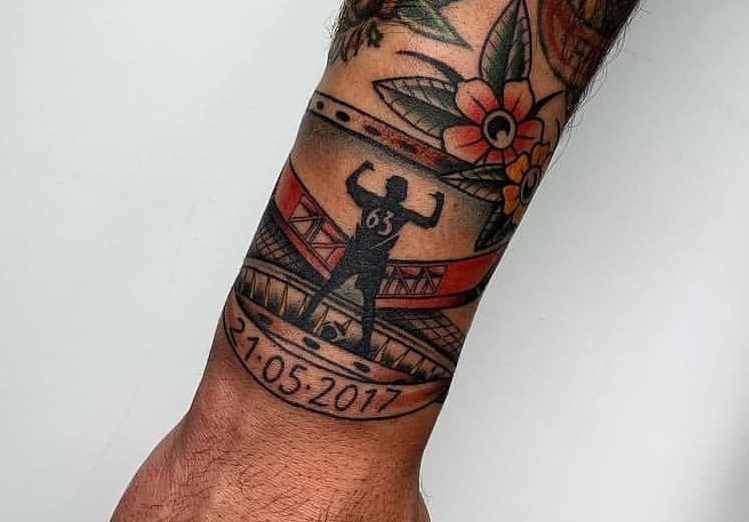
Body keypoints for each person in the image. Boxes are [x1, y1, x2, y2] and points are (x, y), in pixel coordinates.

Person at [110, 1, 640, 521]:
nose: (394, 191)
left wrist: (276, 452)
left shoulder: (395, 208)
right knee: (330, 298)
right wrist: (269, 449)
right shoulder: (381, 203)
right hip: (357, 257)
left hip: (368, 263)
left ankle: (337, 368)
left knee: (356, 306)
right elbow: (365, 191)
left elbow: (420, 216)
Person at [300, 160, 444, 356]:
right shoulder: (403, 213)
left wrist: (360, 169)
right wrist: (439, 203)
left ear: (387, 188)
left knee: (329, 287)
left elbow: (351, 185)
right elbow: (429, 222)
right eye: (404, 191)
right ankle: (365, 343)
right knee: (368, 302)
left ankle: (304, 317)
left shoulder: (371, 200)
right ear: (402, 194)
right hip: (375, 259)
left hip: (357, 252)